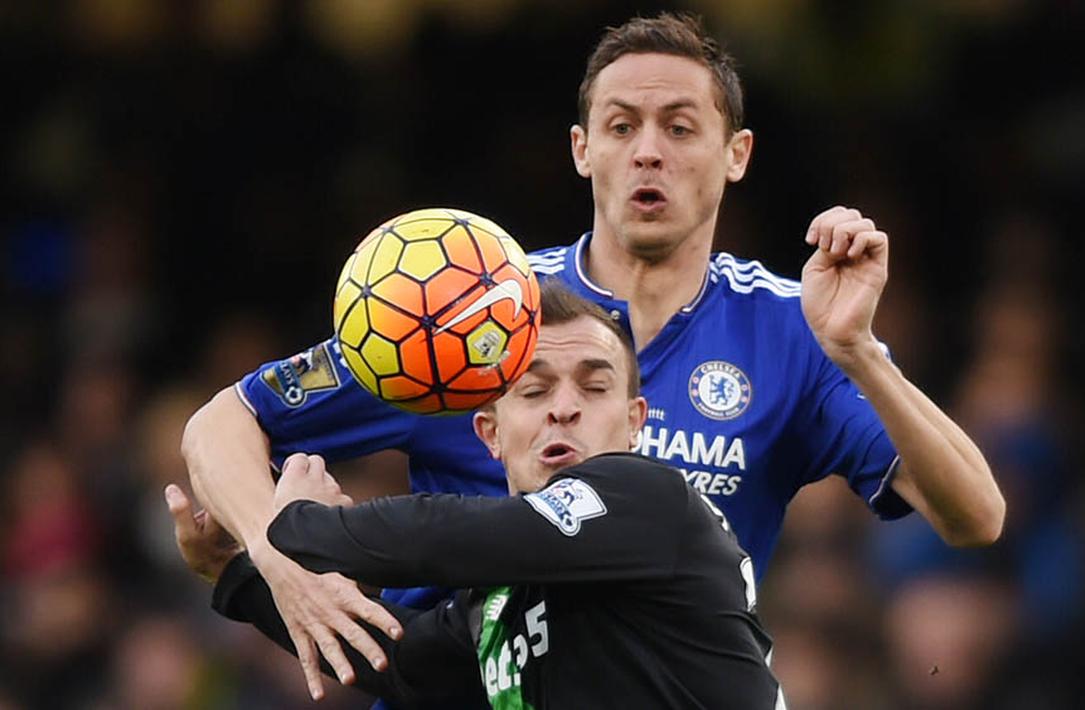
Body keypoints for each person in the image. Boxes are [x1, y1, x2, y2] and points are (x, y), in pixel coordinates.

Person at [182, 11, 1004, 701]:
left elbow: (975, 517)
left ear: (736, 154)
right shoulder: (470, 312)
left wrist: (857, 352)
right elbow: (225, 422)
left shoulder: (795, 327)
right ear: (583, 150)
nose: (648, 150)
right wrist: (268, 560)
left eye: (680, 127)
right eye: (621, 126)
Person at [169, 284, 784, 709]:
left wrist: (296, 525)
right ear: (489, 432)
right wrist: (237, 575)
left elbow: (447, 535)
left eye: (594, 389)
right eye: (535, 391)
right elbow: (409, 666)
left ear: (635, 423)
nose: (565, 407)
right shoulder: (499, 598)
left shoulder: (655, 501)